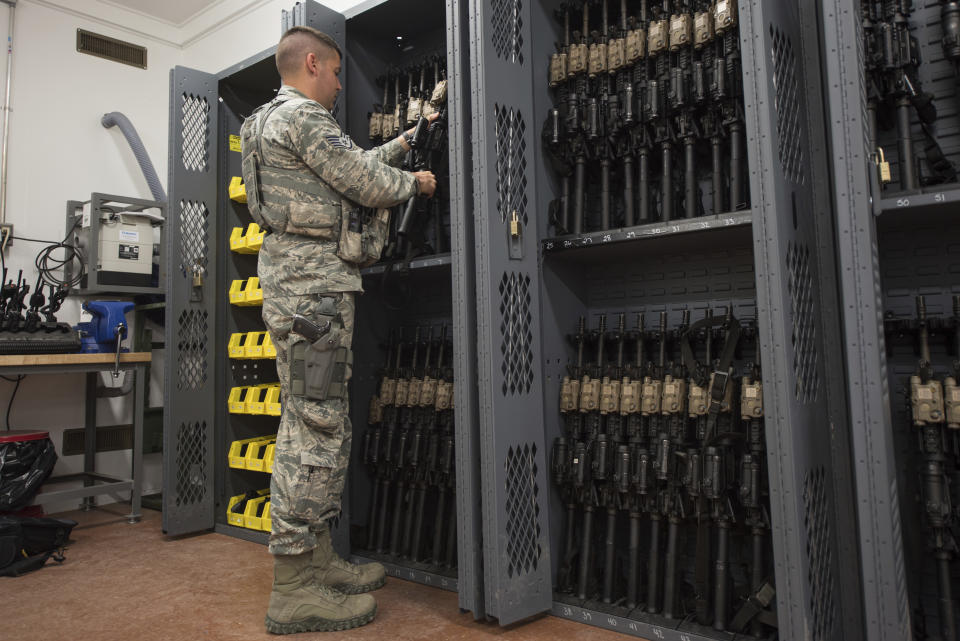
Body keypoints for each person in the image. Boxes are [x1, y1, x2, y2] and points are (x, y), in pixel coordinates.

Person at [240, 26, 437, 634]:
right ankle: (294, 585)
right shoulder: (303, 118)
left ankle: (318, 561)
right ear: (310, 63)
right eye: (332, 75)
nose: (335, 87)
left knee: (315, 419)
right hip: (314, 300)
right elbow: (365, 183)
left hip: (303, 292)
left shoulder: (264, 120)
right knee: (315, 425)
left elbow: (348, 168)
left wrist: (412, 136)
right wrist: (416, 182)